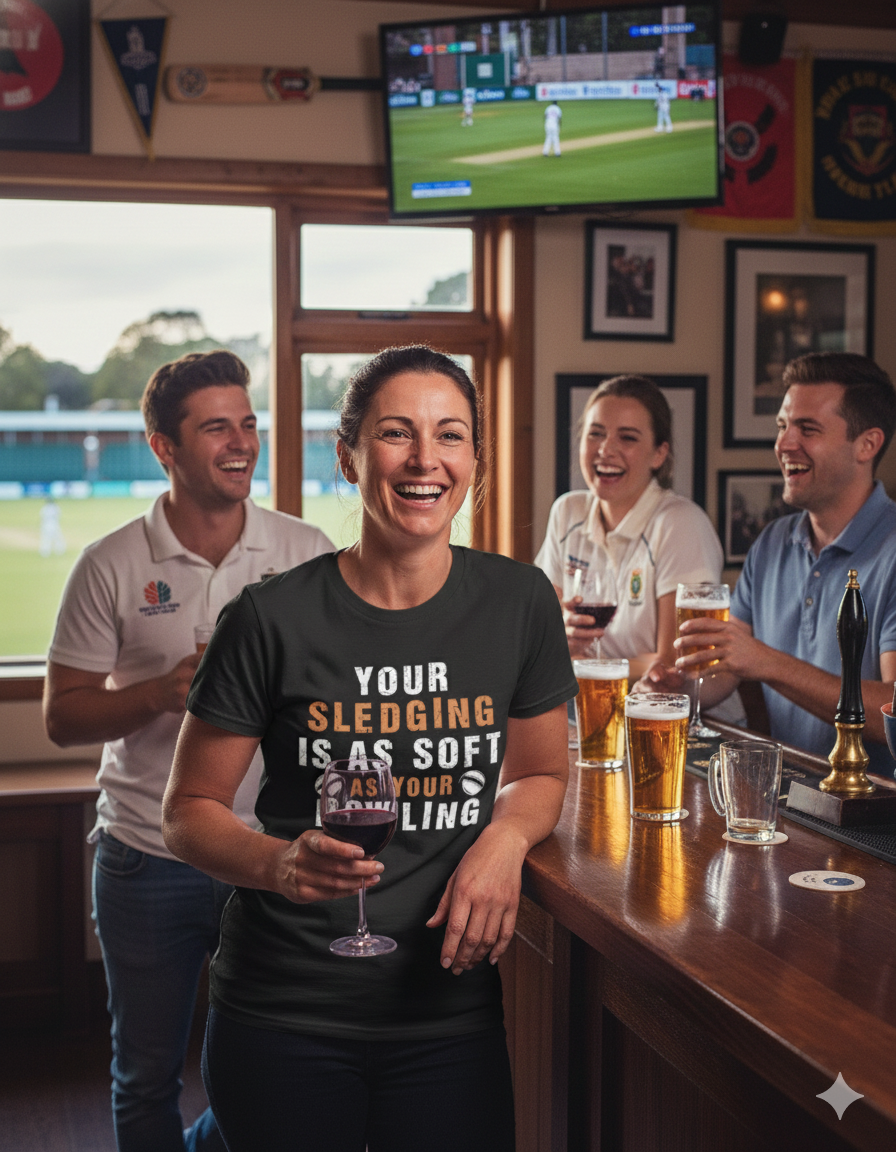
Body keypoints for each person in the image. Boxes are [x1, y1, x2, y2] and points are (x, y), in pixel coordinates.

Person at [161, 345, 576, 1152]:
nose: (426, 459)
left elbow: (541, 772)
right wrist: (278, 864)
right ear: (350, 456)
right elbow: (187, 812)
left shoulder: (521, 602)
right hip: (282, 1014)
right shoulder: (270, 617)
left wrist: (505, 837)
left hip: (447, 1015)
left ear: (475, 461)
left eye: (450, 435)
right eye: (397, 433)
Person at [43, 350, 334, 1152]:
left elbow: (341, 695)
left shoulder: (303, 549)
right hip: (147, 857)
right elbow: (62, 717)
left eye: (249, 423)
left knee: (276, 1067)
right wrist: (167, 692)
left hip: (269, 851)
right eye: (217, 428)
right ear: (163, 446)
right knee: (145, 1076)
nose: (242, 442)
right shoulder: (110, 564)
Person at [644, 352, 896, 775]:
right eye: (783, 426)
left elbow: (890, 713)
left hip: (875, 819)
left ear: (867, 444)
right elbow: (727, 668)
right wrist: (683, 689)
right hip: (786, 797)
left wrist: (767, 662)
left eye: (807, 429)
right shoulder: (773, 542)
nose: (784, 444)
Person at [535, 374, 735, 687]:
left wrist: (579, 661)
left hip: (686, 721)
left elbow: (670, 665)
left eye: (627, 438)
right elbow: (542, 639)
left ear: (659, 454)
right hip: (593, 709)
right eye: (595, 434)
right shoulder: (567, 512)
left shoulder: (679, 523)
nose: (605, 449)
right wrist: (564, 641)